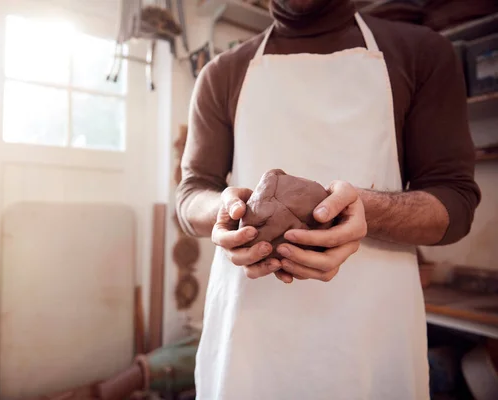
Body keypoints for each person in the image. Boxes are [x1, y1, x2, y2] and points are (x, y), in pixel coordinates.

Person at [175, 0, 481, 399]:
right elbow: (190, 193)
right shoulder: (221, 73)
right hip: (249, 339)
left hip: (369, 339)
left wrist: (366, 208)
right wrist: (226, 210)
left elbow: (455, 202)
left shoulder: (421, 53)